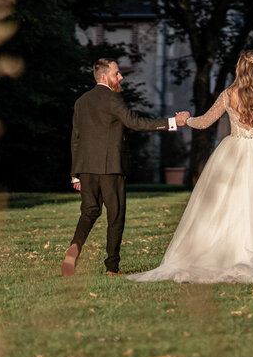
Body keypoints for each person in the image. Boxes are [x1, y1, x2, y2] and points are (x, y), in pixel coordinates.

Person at [128, 50, 253, 283]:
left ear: (240, 69)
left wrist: (186, 119)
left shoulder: (229, 94)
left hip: (234, 151)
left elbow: (204, 122)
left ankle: (224, 253)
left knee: (225, 204)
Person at [61, 58, 188, 276]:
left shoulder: (81, 101)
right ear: (104, 77)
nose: (121, 77)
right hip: (111, 168)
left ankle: (74, 248)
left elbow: (76, 138)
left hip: (86, 168)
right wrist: (172, 122)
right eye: (117, 74)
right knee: (116, 216)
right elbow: (135, 122)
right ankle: (112, 268)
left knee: (89, 212)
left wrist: (75, 175)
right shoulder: (113, 98)